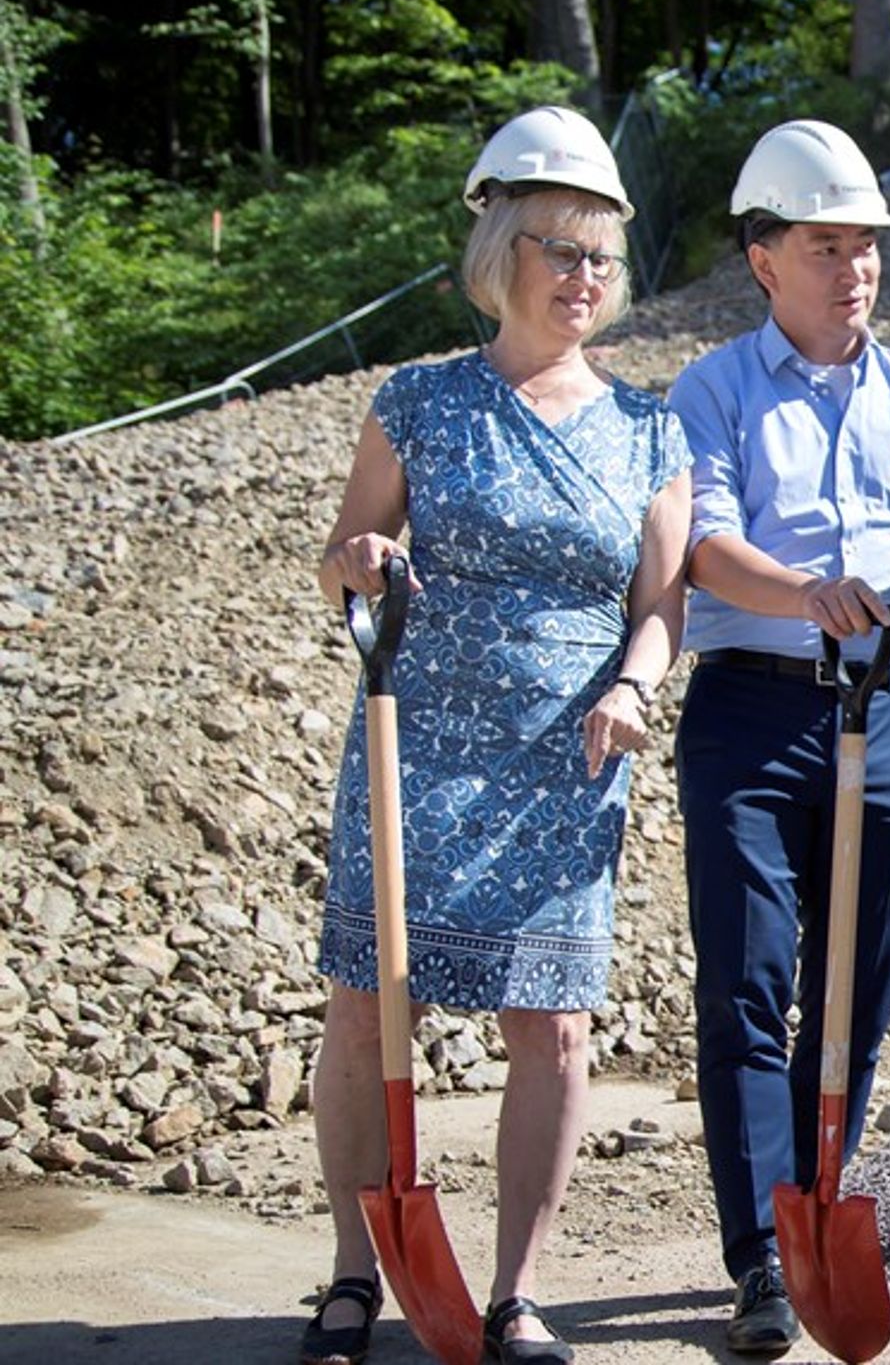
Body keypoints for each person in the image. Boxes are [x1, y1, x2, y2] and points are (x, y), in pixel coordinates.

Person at [305, 104, 690, 1365]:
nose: (583, 278)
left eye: (599, 258)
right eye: (559, 251)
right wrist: (361, 560)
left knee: (557, 1026)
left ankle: (516, 1289)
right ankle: (356, 1275)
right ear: (502, 259)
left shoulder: (651, 429)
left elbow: (661, 607)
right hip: (413, 741)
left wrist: (634, 685)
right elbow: (346, 559)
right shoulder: (415, 401)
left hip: (566, 755)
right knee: (367, 1010)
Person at [671, 118, 890, 1357]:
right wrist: (801, 591)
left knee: (856, 991)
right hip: (753, 711)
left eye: (866, 245)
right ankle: (760, 1254)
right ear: (765, 258)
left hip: (889, 709)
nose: (854, 267)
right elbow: (703, 545)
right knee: (752, 983)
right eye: (827, 245)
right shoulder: (710, 387)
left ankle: (816, 1201)